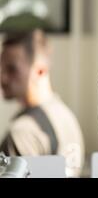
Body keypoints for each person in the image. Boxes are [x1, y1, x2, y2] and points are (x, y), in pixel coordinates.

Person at [0, 29, 84, 177]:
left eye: (12, 69)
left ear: (39, 70)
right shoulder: (68, 118)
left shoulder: (21, 133)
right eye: (1, 68)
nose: (3, 78)